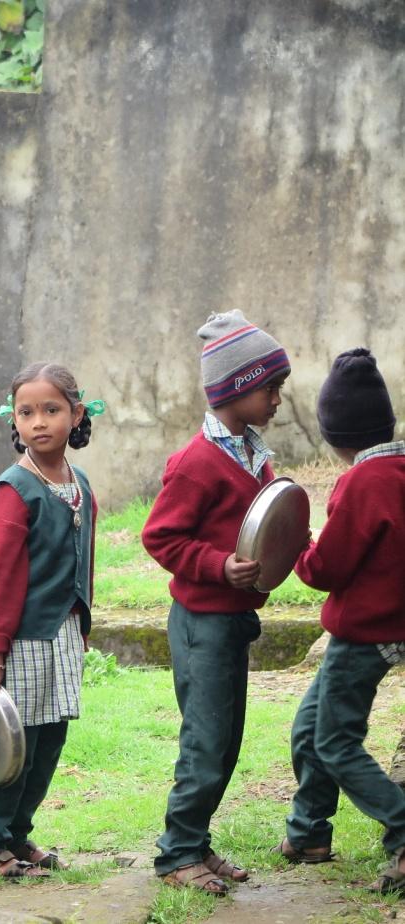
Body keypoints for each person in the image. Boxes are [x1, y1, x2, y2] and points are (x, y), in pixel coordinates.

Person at [142, 310, 292, 894]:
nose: (279, 400)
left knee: (225, 742)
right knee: (204, 740)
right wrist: (217, 566)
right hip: (201, 622)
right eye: (271, 389)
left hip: (233, 622)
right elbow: (161, 537)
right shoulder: (198, 463)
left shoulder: (255, 455)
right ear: (236, 388)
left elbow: (271, 525)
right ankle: (176, 854)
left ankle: (197, 844)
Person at [0, 362, 101, 878]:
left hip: (62, 634)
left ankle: (17, 835)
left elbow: (83, 560)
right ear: (14, 420)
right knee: (15, 744)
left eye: (51, 410)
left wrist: (80, 627)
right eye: (26, 412)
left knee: (49, 741)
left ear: (76, 414)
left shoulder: (78, 482)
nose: (39, 422)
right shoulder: (12, 490)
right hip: (20, 641)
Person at [279, 348, 405, 894]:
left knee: (335, 742)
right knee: (311, 726)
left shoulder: (363, 482)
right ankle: (308, 833)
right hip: (390, 627)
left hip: (366, 633)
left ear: (333, 436)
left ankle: (402, 830)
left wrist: (297, 549)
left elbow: (327, 569)